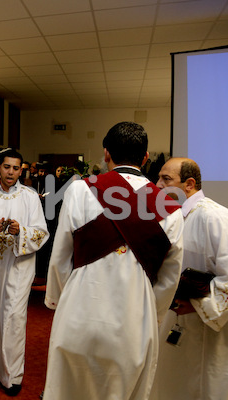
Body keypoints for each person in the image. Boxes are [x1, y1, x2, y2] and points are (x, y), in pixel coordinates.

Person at [43, 122, 184, 400]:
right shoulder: (169, 206)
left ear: (106, 153)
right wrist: (151, 314)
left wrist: (60, 300)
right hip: (134, 319)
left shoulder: (80, 190)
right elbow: (170, 276)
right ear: (145, 158)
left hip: (79, 313)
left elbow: (60, 256)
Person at [151, 157, 228, 400]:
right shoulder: (175, 217)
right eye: (159, 178)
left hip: (215, 331)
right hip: (181, 318)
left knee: (212, 386)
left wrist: (195, 304)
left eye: (166, 179)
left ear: (189, 184)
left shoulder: (216, 218)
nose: (158, 184)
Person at [0, 148, 49, 396]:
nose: (11, 172)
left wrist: (22, 231)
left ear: (22, 170)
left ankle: (12, 375)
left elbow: (42, 232)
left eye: (16, 168)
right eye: (7, 167)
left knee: (14, 318)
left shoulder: (30, 197)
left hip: (19, 267)